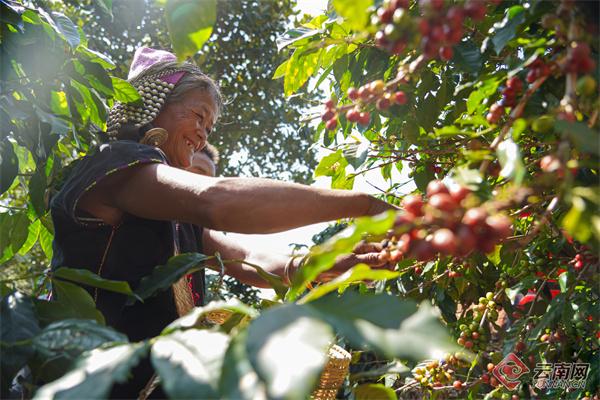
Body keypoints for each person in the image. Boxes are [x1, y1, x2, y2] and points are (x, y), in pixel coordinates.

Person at [49, 47, 394, 398]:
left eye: (209, 128)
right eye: (198, 116)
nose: (202, 135)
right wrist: (365, 205)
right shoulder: (115, 162)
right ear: (155, 102)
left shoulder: (177, 220)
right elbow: (217, 200)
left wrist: (321, 263)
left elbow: (246, 258)